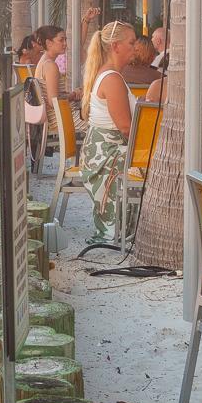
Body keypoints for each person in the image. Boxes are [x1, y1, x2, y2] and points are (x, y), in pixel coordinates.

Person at [79, 20, 140, 242]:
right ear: (115, 46)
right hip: (108, 156)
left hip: (102, 153)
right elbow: (125, 127)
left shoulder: (109, 75)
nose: (135, 48)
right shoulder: (112, 79)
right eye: (131, 43)